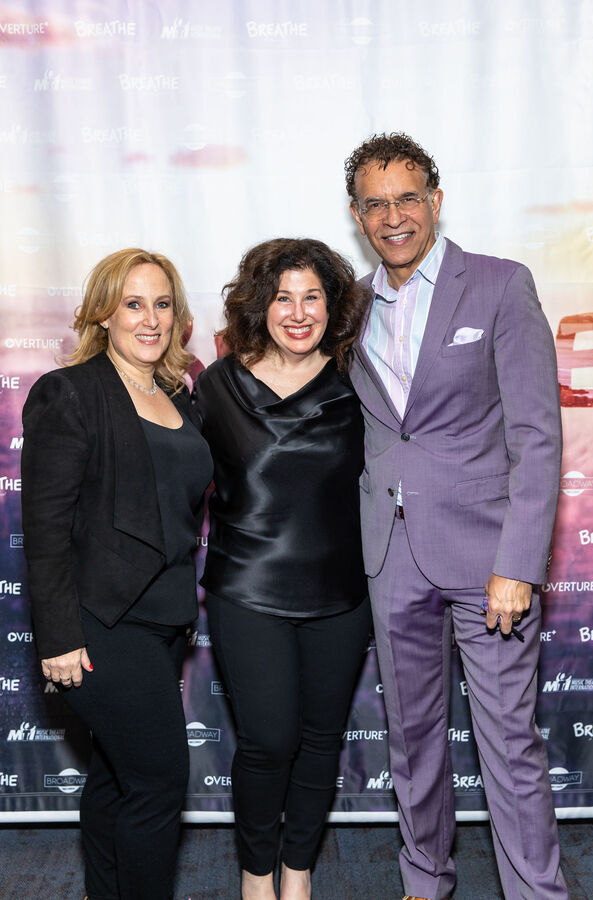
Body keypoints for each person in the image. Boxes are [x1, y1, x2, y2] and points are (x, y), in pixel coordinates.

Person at [344, 133, 567, 900]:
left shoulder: (501, 285)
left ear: (435, 201)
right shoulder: (349, 305)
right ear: (357, 214)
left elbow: (537, 436)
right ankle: (424, 882)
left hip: (488, 559)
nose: (393, 216)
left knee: (509, 744)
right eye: (375, 203)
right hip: (391, 556)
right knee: (411, 742)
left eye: (408, 198)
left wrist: (519, 564)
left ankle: (537, 891)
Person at [21, 248, 212, 900]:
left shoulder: (177, 394)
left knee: (116, 779)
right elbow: (45, 527)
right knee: (157, 782)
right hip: (100, 624)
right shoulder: (72, 392)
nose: (150, 319)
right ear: (104, 313)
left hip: (162, 622)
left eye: (162, 304)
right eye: (134, 303)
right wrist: (57, 637)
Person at [192, 238, 372, 900]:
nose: (297, 313)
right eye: (282, 298)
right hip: (247, 590)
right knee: (268, 740)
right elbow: (173, 477)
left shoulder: (361, 382)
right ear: (260, 305)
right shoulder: (218, 384)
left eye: (312, 298)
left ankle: (296, 874)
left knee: (322, 741)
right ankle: (254, 873)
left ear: (334, 306)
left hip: (343, 594)